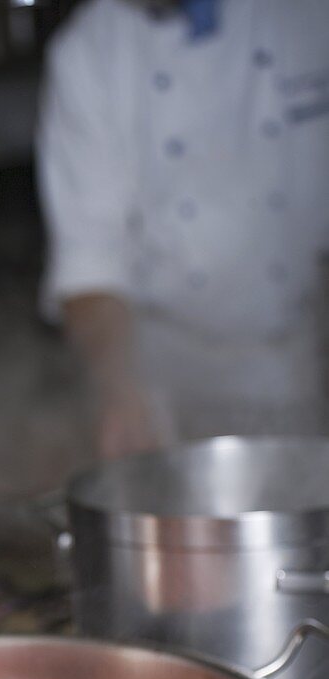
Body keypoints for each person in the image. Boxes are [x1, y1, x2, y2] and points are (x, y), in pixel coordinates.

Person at [38, 0, 329, 458]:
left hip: (297, 355)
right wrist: (118, 390)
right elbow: (89, 257)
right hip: (164, 372)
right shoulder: (89, 49)